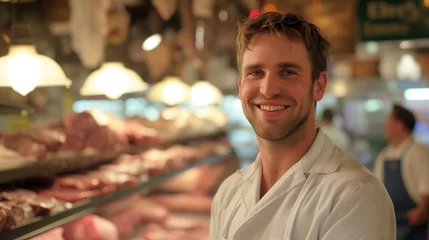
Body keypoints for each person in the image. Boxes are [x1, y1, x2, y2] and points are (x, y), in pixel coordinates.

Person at [209, 12, 396, 240]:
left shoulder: (356, 196)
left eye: (287, 72)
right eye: (256, 72)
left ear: (319, 86)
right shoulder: (229, 193)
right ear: (240, 87)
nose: (269, 90)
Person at [373, 104, 429, 240]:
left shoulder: (418, 150)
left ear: (399, 125)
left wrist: (421, 212)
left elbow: (426, 188)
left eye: (388, 121)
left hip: (415, 224)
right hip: (390, 222)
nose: (385, 126)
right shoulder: (384, 155)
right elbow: (376, 188)